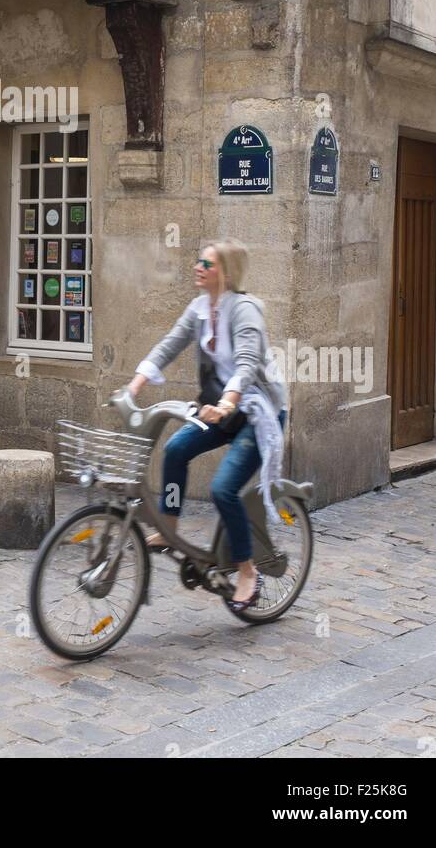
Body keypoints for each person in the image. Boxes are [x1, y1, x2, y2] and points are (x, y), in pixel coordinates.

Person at [126, 239, 287, 613]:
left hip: (256, 412)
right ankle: (169, 528)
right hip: (221, 408)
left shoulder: (246, 310)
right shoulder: (200, 308)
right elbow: (170, 344)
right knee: (176, 450)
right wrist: (134, 385)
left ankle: (247, 570)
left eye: (207, 264)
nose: (198, 267)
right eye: (198, 262)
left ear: (225, 273)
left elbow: (247, 363)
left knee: (223, 489)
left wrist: (229, 401)